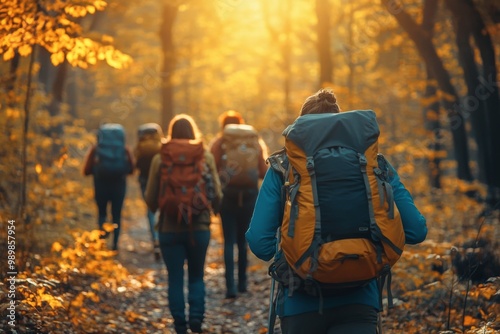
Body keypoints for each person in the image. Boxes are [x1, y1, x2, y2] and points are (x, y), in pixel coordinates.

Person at [245, 89, 427, 334]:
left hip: (300, 303)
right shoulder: (375, 166)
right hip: (359, 300)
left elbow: (259, 242)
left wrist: (290, 253)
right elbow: (416, 230)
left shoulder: (284, 168)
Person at [145, 114, 222, 334]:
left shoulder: (160, 158)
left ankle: (180, 324)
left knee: (175, 279)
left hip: (169, 230)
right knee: (197, 276)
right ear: (193, 132)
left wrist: (158, 209)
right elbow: (216, 191)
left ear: (171, 132)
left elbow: (150, 197)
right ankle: (196, 319)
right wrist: (213, 210)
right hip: (199, 228)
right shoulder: (204, 155)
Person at [209, 110, 268, 298]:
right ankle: (243, 284)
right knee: (243, 241)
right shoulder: (253, 141)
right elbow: (262, 171)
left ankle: (230, 287)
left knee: (228, 242)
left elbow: (211, 168)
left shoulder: (220, 143)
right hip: (250, 196)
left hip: (227, 196)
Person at [83, 123, 135, 251]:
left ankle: (102, 244)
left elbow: (86, 171)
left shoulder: (96, 149)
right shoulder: (124, 150)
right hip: (119, 187)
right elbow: (132, 170)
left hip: (100, 186)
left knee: (102, 214)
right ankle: (115, 245)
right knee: (116, 215)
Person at [134, 123, 164, 260]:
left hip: (145, 181)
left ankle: (155, 239)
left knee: (150, 210)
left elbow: (135, 163)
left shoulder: (140, 146)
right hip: (160, 180)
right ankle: (162, 237)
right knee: (162, 208)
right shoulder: (162, 145)